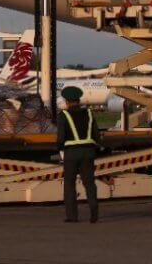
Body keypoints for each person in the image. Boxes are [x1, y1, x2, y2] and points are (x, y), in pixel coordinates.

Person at [55, 85, 100, 223]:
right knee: (89, 183)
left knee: (69, 184)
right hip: (88, 151)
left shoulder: (63, 115)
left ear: (67, 101)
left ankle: (72, 216)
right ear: (79, 100)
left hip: (72, 153)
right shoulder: (89, 113)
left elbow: (61, 138)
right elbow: (96, 135)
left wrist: (60, 148)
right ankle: (94, 211)